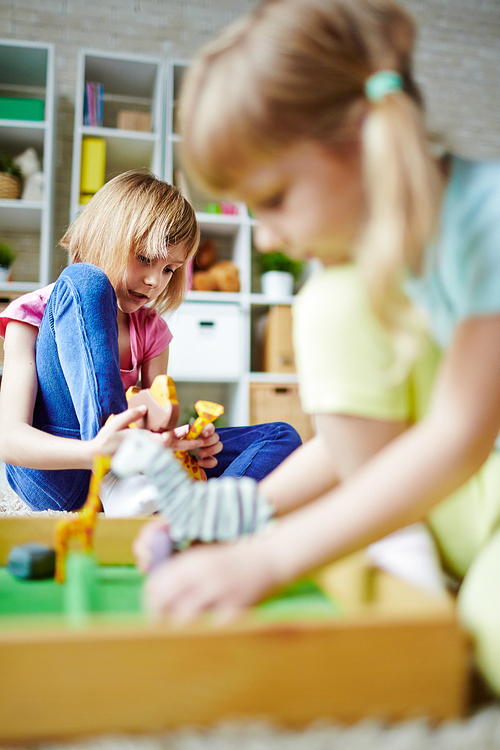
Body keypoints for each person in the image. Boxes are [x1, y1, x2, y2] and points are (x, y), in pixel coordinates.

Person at [133, 0, 500, 694]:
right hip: (464, 497)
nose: (266, 238)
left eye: (273, 197)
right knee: (330, 299)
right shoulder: (360, 275)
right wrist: (230, 522)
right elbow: (353, 439)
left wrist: (270, 562)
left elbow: (458, 433)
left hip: (472, 473)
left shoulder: (489, 221)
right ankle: (405, 548)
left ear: (360, 137)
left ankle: (410, 553)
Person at [0, 170, 301, 513]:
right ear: (103, 236)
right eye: (144, 258)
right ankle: (120, 480)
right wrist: (96, 453)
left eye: (170, 269)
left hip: (133, 476)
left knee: (281, 436)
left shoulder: (152, 330)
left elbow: (155, 425)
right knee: (85, 281)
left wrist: (180, 444)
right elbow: (9, 440)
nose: (154, 281)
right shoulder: (30, 315)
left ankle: (199, 513)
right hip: (59, 472)